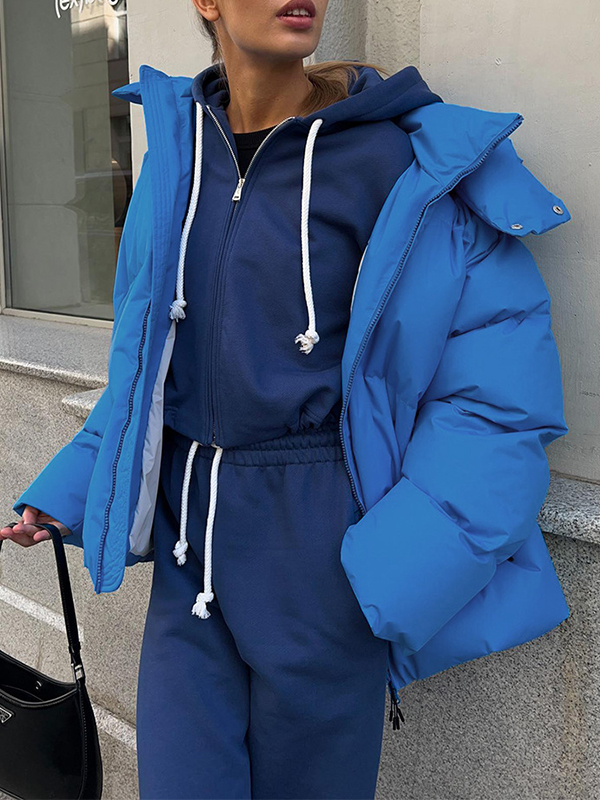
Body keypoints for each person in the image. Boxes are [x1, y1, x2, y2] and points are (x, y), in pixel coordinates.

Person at [2, 0, 572, 798]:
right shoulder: (178, 157)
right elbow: (145, 367)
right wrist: (69, 490)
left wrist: (388, 570)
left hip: (324, 544)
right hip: (188, 542)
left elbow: (496, 403)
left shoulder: (405, 165)